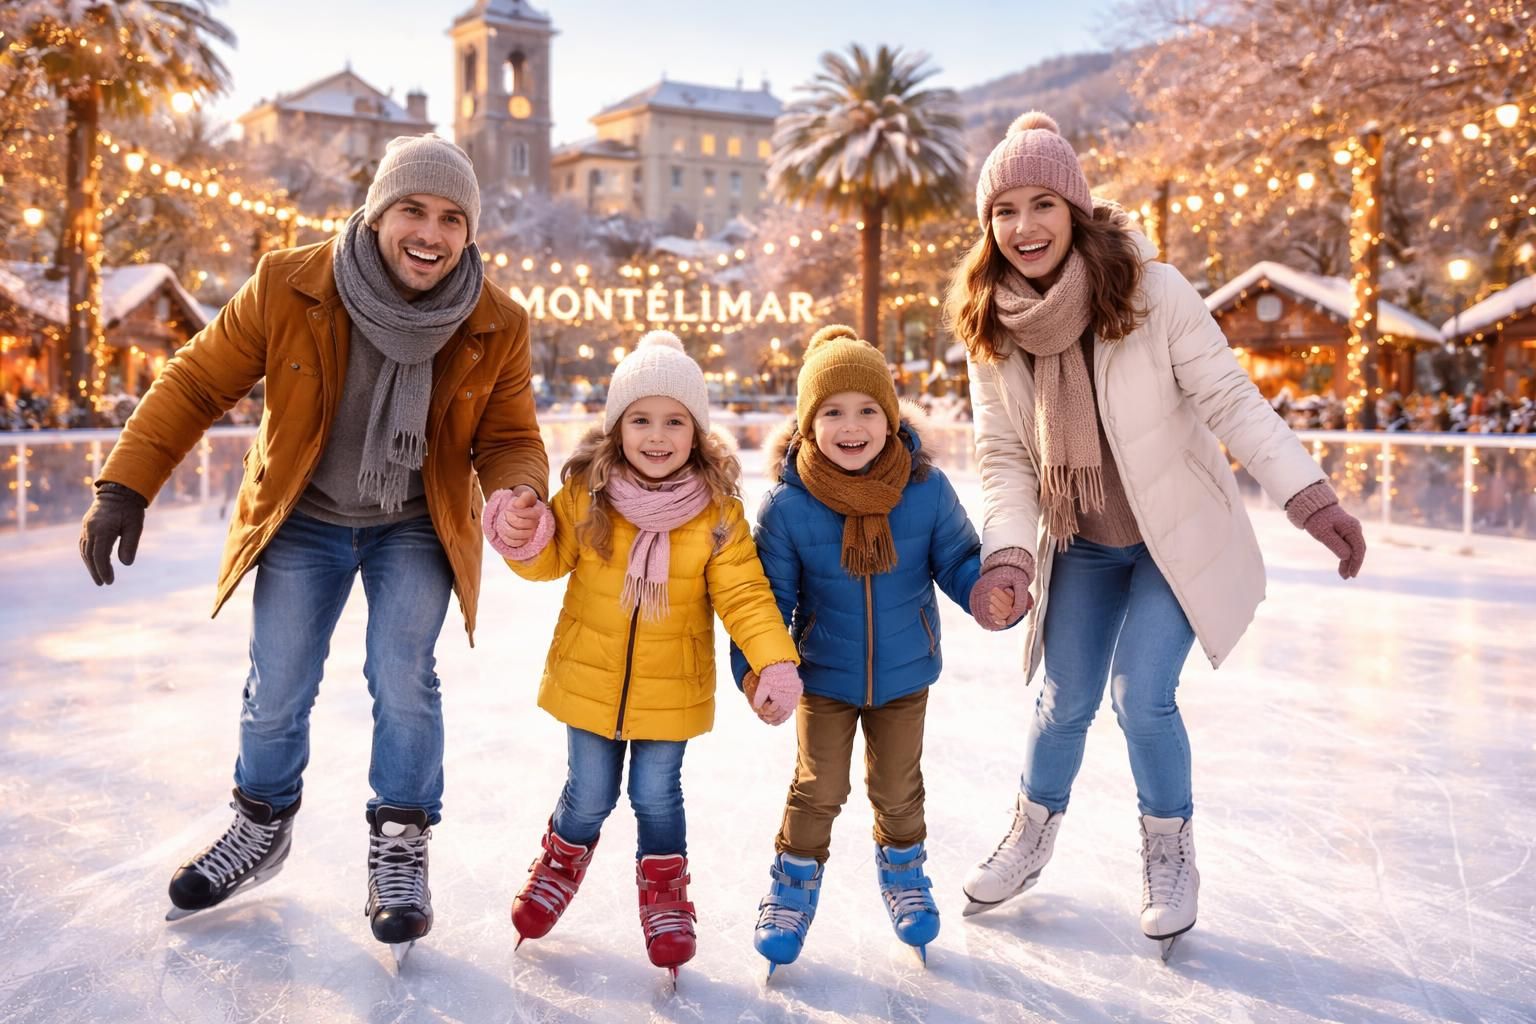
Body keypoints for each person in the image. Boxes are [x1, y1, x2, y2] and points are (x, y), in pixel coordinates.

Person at [77, 134, 548, 965]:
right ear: (378, 211)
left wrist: (516, 490)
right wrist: (125, 484)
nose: (431, 234)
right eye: (413, 210)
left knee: (405, 678)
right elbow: (195, 381)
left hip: (415, 519)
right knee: (279, 679)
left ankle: (400, 844)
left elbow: (509, 436)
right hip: (305, 512)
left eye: (451, 218)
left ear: (469, 231)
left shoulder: (496, 320)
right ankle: (260, 826)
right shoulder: (289, 283)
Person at [949, 112, 1367, 958]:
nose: (1024, 227)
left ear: (1075, 208)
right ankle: (1031, 833)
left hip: (1172, 540)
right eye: (1005, 211)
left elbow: (1231, 400)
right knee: (1062, 699)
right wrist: (1008, 554)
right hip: (1082, 547)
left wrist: (1308, 496)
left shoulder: (1152, 293)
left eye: (1042, 205)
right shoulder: (992, 325)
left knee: (1140, 696)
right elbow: (1002, 456)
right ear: (989, 225)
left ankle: (1169, 851)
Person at [482, 330, 801, 979]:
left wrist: (774, 659)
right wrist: (527, 535)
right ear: (617, 427)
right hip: (588, 682)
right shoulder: (588, 496)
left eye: (674, 421)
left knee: (657, 796)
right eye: (641, 420)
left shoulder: (717, 514)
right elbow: (548, 562)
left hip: (672, 688)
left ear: (697, 431)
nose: (657, 436)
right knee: (588, 795)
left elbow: (744, 593)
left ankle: (664, 897)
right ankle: (560, 862)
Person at [731, 325, 986, 972]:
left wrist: (987, 590)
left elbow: (958, 557)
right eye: (832, 411)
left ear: (891, 417)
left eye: (868, 409)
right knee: (819, 788)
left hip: (905, 673)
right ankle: (791, 887)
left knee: (899, 787)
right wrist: (760, 669)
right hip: (824, 678)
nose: (852, 425)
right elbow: (764, 602)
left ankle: (904, 874)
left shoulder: (925, 490)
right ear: (807, 425)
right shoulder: (789, 507)